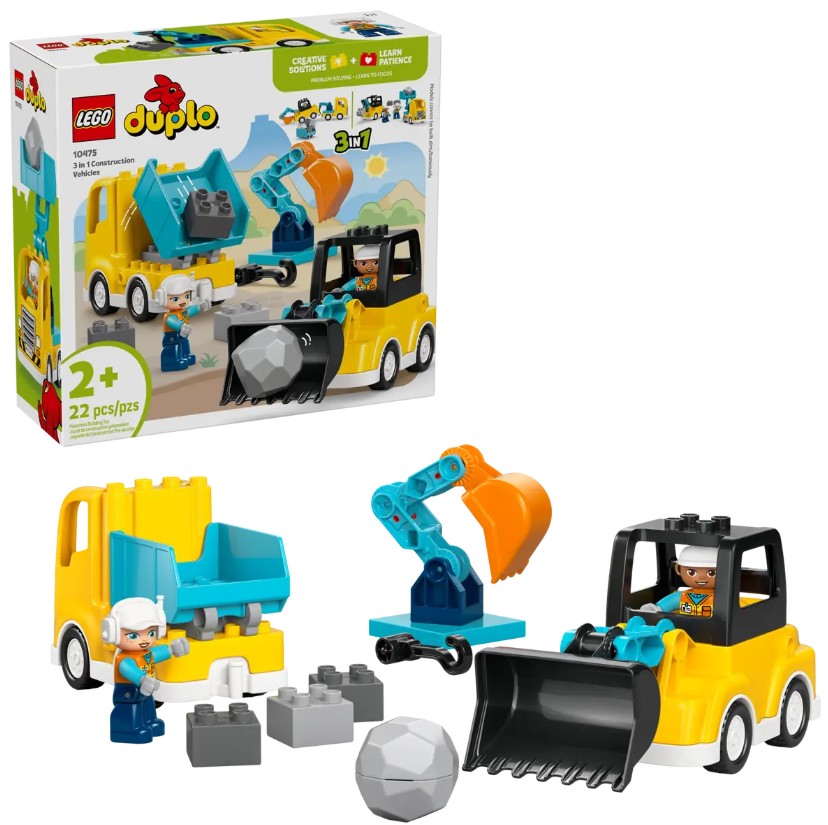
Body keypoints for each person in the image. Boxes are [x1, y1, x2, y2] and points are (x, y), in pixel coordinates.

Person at [103, 597, 190, 744]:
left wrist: (172, 649)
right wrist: (141, 678)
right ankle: (129, 729)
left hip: (145, 688)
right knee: (132, 708)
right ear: (114, 633)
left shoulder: (146, 654)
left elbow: (156, 655)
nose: (144, 639)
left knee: (147, 704)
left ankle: (149, 721)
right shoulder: (124, 658)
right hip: (128, 691)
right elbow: (127, 669)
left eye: (150, 633)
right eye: (133, 636)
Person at [640, 545, 717, 617]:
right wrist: (656, 609)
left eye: (711, 573)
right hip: (683, 625)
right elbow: (672, 601)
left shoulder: (719, 599)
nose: (701, 577)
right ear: (678, 569)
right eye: (691, 572)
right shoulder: (682, 596)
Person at [160, 274, 210, 372]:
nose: (182, 301)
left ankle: (185, 355)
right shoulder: (169, 316)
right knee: (175, 347)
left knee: (184, 343)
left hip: (182, 334)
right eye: (175, 299)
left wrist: (201, 306)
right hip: (171, 337)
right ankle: (173, 361)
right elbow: (172, 322)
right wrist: (181, 326)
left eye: (186, 296)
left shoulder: (183, 312)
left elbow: (191, 310)